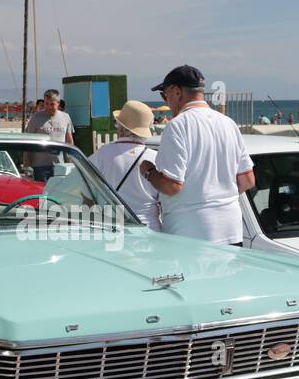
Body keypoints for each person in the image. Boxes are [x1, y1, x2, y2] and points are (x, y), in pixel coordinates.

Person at [139, 65, 255, 246]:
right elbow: (247, 180)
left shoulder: (177, 126)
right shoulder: (229, 124)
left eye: (164, 94)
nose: (166, 101)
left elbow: (172, 186)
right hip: (231, 228)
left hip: (190, 232)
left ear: (177, 92)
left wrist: (148, 171)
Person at [89, 100, 161, 230]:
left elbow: (85, 187)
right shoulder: (156, 157)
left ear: (120, 127)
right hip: (149, 228)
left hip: (113, 227)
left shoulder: (103, 153)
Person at [23, 88, 75, 180]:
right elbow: (28, 141)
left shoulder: (65, 117)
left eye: (52, 104)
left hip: (60, 166)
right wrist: (26, 165)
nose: (48, 107)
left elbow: (69, 139)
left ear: (58, 104)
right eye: (46, 103)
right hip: (40, 166)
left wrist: (71, 161)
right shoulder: (36, 117)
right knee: (42, 192)